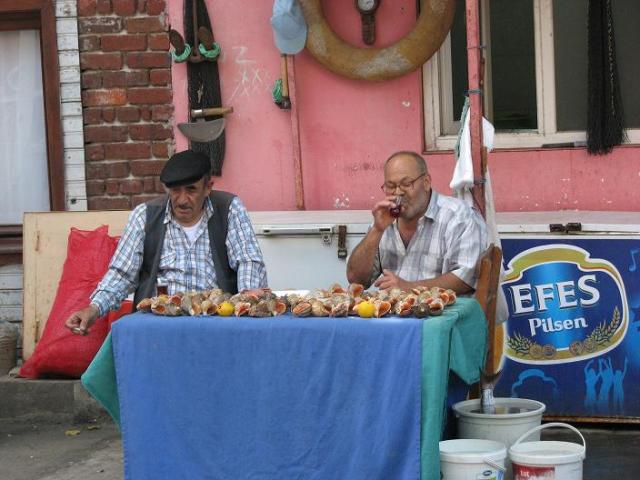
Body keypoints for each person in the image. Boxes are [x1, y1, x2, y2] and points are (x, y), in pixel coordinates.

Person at [65, 149, 268, 335]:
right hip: (159, 324)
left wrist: (246, 302)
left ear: (208, 188)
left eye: (191, 190)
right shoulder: (144, 216)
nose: (181, 200)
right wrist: (93, 308)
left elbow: (248, 261)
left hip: (217, 322)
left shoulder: (229, 208)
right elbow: (122, 273)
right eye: (175, 190)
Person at [347, 151, 487, 294]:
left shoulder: (459, 216)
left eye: (406, 184)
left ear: (426, 182)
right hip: (395, 311)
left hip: (445, 311)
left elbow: (465, 278)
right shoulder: (384, 218)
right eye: (390, 186)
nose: (398, 192)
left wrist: (409, 287)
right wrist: (376, 230)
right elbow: (356, 279)